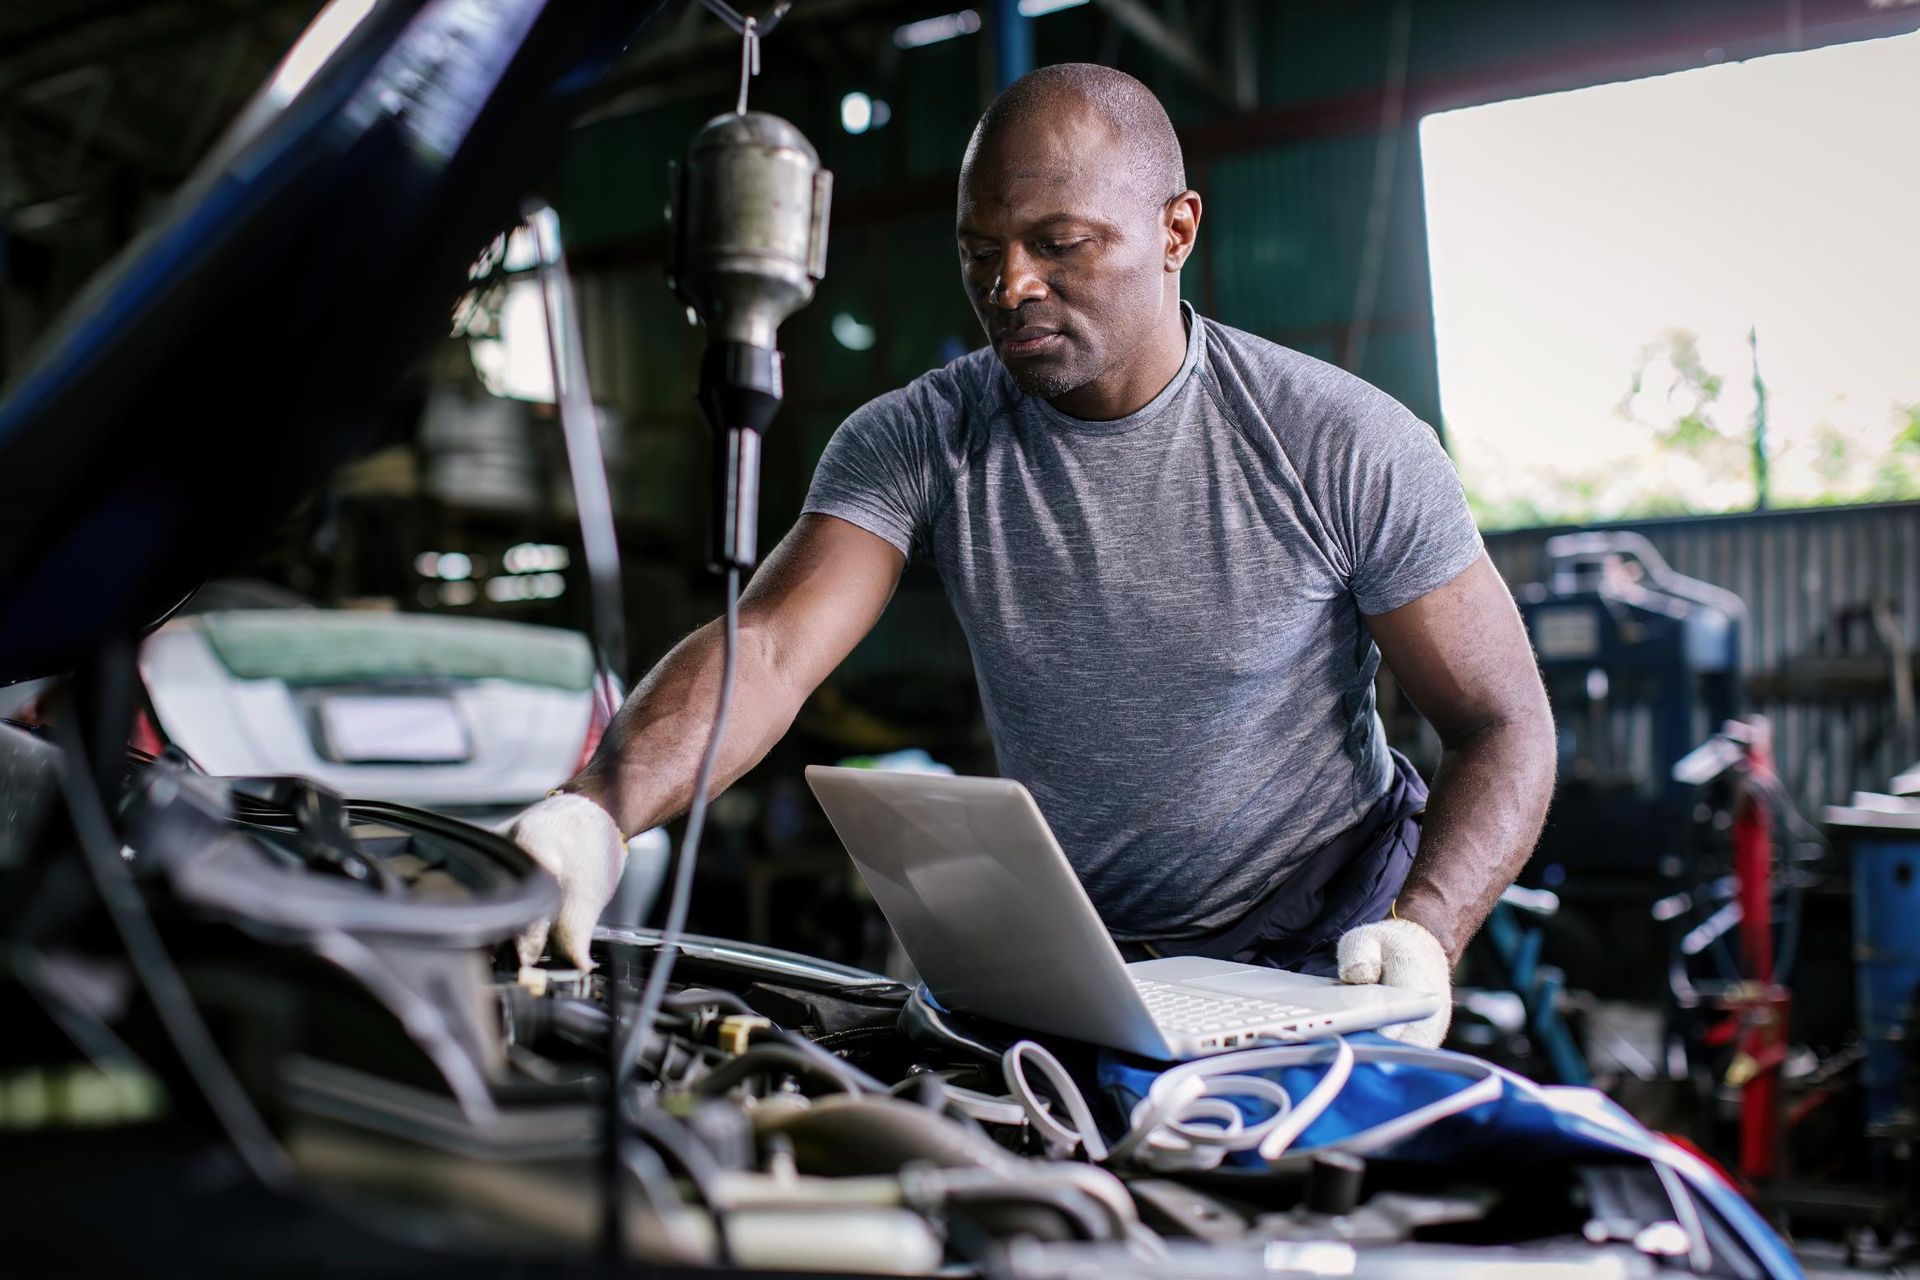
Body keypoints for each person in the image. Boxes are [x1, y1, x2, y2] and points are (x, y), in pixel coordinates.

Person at [510, 63, 1555, 1048]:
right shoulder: (919, 437)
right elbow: (774, 650)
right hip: (1082, 953)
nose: (1009, 286)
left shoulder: (1341, 443)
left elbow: (1502, 721)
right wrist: (596, 810)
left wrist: (1427, 927)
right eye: (980, 251)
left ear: (1175, 229)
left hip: (1334, 940)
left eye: (1060, 243)